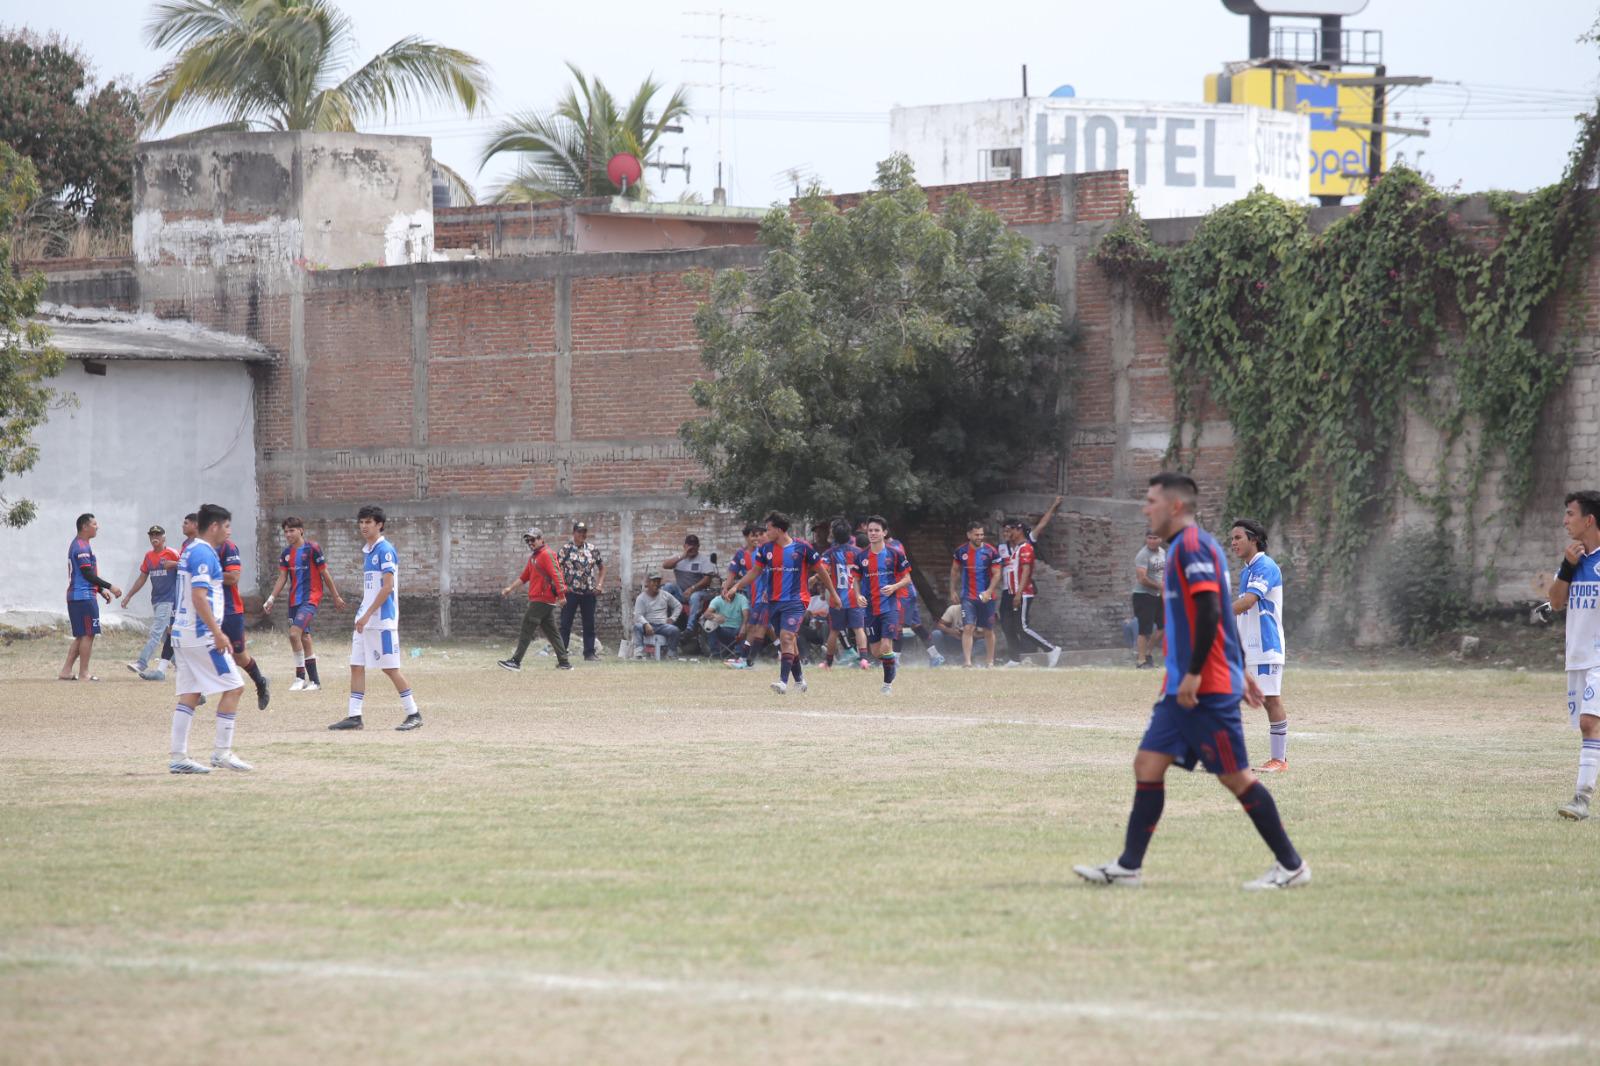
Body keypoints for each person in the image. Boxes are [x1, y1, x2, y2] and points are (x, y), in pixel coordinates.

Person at [1074, 472, 1309, 891]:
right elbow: (1222, 613)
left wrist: (1205, 673)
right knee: (1147, 765)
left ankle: (1291, 865)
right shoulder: (1183, 548)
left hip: (1204, 691)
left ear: (1175, 507)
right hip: (1180, 688)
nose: (1146, 509)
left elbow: (1210, 613)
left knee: (1236, 778)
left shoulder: (1195, 546)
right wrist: (1239, 670)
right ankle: (1129, 866)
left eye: (1151, 502)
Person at [166, 503, 252, 774]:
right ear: (214, 526)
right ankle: (221, 752)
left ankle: (178, 756)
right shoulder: (203, 552)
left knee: (190, 694)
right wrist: (217, 632)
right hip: (201, 634)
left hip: (182, 634)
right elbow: (199, 596)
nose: (229, 532)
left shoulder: (190, 549)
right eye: (226, 526)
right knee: (235, 687)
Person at [328, 506, 421, 732]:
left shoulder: (385, 550)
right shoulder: (368, 551)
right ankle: (354, 716)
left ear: (379, 524)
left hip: (382, 621)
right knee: (356, 665)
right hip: (364, 620)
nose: (363, 526)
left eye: (368, 522)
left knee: (390, 669)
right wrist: (362, 614)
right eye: (361, 522)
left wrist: (369, 614)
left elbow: (387, 588)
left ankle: (414, 713)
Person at [729, 511, 840, 694]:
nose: (765, 533)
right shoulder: (766, 550)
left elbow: (821, 571)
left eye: (768, 529)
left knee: (787, 637)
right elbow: (755, 572)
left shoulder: (802, 548)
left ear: (779, 530)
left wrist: (833, 594)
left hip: (797, 600)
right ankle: (800, 680)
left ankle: (782, 682)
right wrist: (736, 586)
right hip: (774, 601)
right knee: (790, 642)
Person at [1548, 490, 1600, 820]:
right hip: (1577, 658)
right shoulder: (1573, 559)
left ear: (1589, 519)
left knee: (1588, 723)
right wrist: (1567, 567)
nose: (1565, 521)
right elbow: (1555, 601)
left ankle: (1581, 799)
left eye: (1570, 514)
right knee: (1589, 726)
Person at [1230, 518, 1288, 773]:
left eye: (1238, 538)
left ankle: (1279, 760)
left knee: (1271, 700)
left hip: (1266, 647)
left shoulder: (1265, 565)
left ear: (1254, 539)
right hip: (1246, 649)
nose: (1233, 543)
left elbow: (1249, 602)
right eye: (1231, 539)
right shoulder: (1247, 570)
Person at [263, 517, 345, 692]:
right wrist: (271, 598)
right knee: (304, 637)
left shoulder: (313, 548)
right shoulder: (286, 553)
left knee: (294, 634)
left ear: (301, 530)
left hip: (310, 598)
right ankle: (315, 682)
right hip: (294, 601)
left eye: (291, 530)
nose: (288, 534)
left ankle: (300, 677)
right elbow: (282, 577)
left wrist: (336, 596)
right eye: (285, 531)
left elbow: (325, 573)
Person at [498, 528, 572, 671]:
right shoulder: (534, 558)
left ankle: (516, 661)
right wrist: (510, 588)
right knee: (552, 632)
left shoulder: (547, 554)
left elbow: (557, 574)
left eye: (533, 539)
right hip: (542, 599)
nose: (530, 543)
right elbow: (524, 577)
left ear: (541, 539)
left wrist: (562, 595)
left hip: (542, 599)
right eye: (528, 540)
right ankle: (564, 662)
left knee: (527, 627)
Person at [59, 512, 120, 682]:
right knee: (88, 634)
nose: (97, 527)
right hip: (83, 596)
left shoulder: (81, 544)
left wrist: (100, 590)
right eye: (94, 524)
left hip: (79, 596)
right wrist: (110, 586)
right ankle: (84, 673)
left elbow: (85, 573)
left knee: (81, 635)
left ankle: (65, 671)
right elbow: (87, 573)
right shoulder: (81, 546)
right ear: (84, 527)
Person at [998, 513, 1063, 668]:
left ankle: (1051, 649)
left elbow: (1026, 572)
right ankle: (1015, 658)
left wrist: (1019, 593)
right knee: (1008, 625)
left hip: (1023, 593)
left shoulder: (1026, 547)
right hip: (1011, 592)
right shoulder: (1012, 549)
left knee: (1022, 627)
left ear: (1018, 530)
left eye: (1010, 530)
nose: (1008, 534)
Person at [857, 516, 913, 695]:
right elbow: (856, 580)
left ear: (884, 533)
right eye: (870, 530)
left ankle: (887, 685)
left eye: (876, 530)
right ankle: (891, 664)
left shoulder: (895, 553)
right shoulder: (862, 557)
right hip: (870, 608)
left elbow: (907, 578)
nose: (873, 533)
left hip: (890, 607)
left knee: (886, 646)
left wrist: (894, 587)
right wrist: (858, 595)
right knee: (876, 651)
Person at [220, 532, 272, 711]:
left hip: (230, 611)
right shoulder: (193, 549)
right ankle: (197, 691)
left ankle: (260, 682)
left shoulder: (227, 547)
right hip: (207, 610)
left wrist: (208, 572)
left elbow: (234, 577)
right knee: (204, 651)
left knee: (239, 656)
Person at [122, 524, 180, 678]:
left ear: (164, 537)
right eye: (152, 535)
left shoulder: (172, 553)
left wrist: (173, 564)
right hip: (156, 600)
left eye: (158, 535)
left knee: (155, 632)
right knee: (163, 636)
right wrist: (129, 596)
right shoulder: (149, 556)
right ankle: (180, 664)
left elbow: (186, 567)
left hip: (169, 600)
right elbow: (142, 578)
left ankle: (141, 662)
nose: (154, 538)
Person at [949, 521, 1003, 668]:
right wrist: (952, 590)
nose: (980, 537)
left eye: (981, 534)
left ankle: (990, 661)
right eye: (976, 534)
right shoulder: (961, 551)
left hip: (988, 597)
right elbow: (955, 571)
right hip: (968, 597)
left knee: (988, 629)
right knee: (968, 627)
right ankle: (967, 662)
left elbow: (997, 574)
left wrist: (989, 591)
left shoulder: (991, 551)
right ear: (969, 535)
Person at [820, 519, 870, 669]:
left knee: (834, 631)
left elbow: (822, 570)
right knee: (859, 629)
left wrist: (814, 578)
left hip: (837, 599)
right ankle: (864, 660)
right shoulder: (859, 553)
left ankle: (828, 663)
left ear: (834, 535)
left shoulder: (829, 554)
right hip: (855, 597)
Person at [724, 524, 772, 669]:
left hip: (765, 596)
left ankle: (745, 659)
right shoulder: (743, 554)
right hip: (754, 595)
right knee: (764, 627)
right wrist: (727, 587)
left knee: (756, 626)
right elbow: (733, 572)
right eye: (753, 535)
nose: (757, 538)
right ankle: (748, 659)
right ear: (747, 537)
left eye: (759, 535)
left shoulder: (767, 551)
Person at [557, 521, 605, 662]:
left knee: (589, 624)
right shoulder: (565, 549)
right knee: (565, 624)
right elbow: (556, 568)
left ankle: (589, 653)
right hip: (570, 592)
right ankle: (562, 653)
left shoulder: (592, 549)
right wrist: (561, 586)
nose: (582, 534)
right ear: (574, 533)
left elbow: (602, 568)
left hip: (588, 593)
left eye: (584, 532)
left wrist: (600, 584)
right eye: (579, 532)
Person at [663, 534, 717, 632]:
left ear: (698, 546)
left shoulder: (704, 560)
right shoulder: (679, 558)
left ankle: (689, 628)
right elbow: (665, 565)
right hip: (681, 593)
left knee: (694, 596)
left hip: (699, 593)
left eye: (694, 545)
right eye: (689, 545)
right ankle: (664, 620)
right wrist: (683, 556)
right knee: (667, 587)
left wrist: (692, 588)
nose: (692, 547)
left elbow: (707, 580)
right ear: (684, 546)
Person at [1132, 530, 1166, 669]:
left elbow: (1162, 572)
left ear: (1161, 539)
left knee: (1163, 627)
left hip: (1157, 595)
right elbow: (1142, 578)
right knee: (1144, 630)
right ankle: (1141, 661)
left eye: (1155, 538)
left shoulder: (1162, 552)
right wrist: (1159, 586)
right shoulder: (1143, 555)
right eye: (1149, 538)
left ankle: (1147, 654)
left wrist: (1164, 587)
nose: (1152, 541)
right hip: (1143, 595)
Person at [632, 574, 684, 659]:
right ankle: (639, 652)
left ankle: (671, 654)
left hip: (662, 625)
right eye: (654, 581)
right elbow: (638, 615)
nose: (656, 584)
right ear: (648, 583)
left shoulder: (665, 595)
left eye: (658, 581)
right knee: (637, 627)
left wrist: (672, 618)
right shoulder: (641, 598)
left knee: (675, 630)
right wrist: (646, 624)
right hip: (647, 625)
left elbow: (678, 606)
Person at [701, 586, 748, 659]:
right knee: (709, 624)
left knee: (748, 625)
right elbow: (706, 614)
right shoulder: (717, 600)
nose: (725, 591)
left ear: (734, 590)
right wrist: (715, 616)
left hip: (737, 630)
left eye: (728, 588)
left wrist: (744, 626)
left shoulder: (742, 599)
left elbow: (746, 615)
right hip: (722, 630)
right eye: (723, 588)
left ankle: (739, 654)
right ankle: (715, 654)